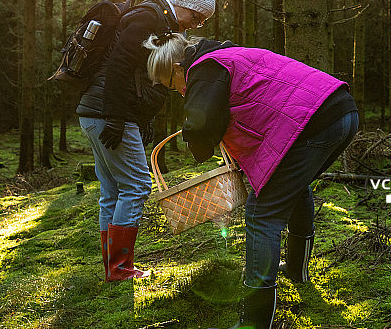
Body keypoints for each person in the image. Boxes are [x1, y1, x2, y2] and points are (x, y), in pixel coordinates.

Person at [145, 35, 358, 328]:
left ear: (179, 66)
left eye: (173, 83)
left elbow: (201, 124)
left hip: (313, 120)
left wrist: (197, 146)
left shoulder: (204, 70)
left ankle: (256, 321)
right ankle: (297, 271)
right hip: (338, 109)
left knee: (261, 214)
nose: (180, 91)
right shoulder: (227, 55)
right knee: (294, 189)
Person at [77, 0, 216, 282]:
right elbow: (118, 65)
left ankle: (113, 267)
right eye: (197, 16)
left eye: (202, 21)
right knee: (138, 184)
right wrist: (115, 116)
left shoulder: (155, 18)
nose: (196, 24)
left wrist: (141, 119)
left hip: (95, 111)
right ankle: (121, 268)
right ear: (185, 4)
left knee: (112, 189)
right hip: (108, 112)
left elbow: (137, 75)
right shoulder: (150, 17)